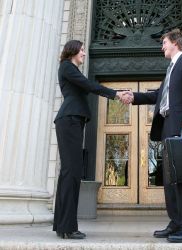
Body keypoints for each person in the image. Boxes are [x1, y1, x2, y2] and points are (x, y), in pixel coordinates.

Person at [121, 29, 182, 243]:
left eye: (164, 42)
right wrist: (134, 97)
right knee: (170, 179)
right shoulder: (170, 69)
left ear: (175, 42)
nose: (162, 46)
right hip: (167, 125)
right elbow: (158, 96)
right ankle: (176, 222)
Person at [53, 40, 124, 239]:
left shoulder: (71, 69)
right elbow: (88, 85)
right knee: (72, 172)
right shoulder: (67, 67)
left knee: (70, 173)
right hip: (70, 121)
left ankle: (62, 226)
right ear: (72, 51)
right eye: (82, 50)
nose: (84, 53)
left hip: (73, 121)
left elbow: (84, 85)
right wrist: (115, 94)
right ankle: (67, 227)